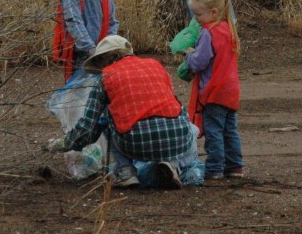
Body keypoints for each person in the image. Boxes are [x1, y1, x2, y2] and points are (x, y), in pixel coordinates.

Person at [48, 35, 201, 189]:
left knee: (106, 117)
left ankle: (125, 172)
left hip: (135, 142)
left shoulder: (105, 77)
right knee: (191, 129)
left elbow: (88, 128)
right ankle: (173, 164)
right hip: (177, 137)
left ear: (104, 60)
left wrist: (64, 144)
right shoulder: (156, 66)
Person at [185, 0, 244, 180]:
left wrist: (188, 56)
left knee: (214, 132)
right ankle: (235, 166)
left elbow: (200, 62)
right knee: (230, 130)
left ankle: (215, 168)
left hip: (214, 91)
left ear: (214, 12)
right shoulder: (229, 29)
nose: (196, 19)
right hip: (231, 90)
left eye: (199, 15)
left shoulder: (208, 33)